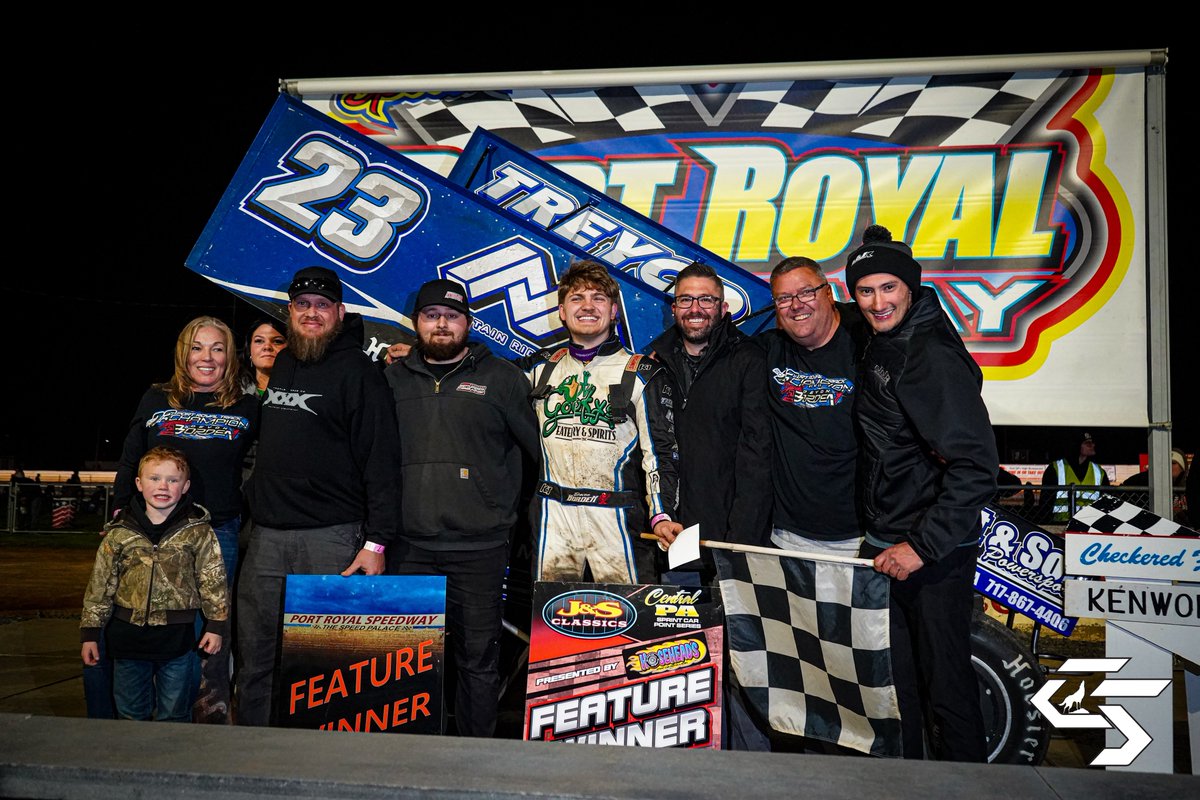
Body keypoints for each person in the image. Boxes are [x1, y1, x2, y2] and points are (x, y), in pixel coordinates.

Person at [848, 225, 998, 762]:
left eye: (889, 287)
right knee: (898, 692)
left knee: (947, 693)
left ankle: (970, 792)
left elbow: (977, 467)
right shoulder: (885, 337)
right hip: (889, 546)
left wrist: (922, 547)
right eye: (865, 290)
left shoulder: (927, 353)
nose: (878, 301)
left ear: (911, 287)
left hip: (929, 558)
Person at [237, 265, 400, 727]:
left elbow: (382, 463)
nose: (311, 313)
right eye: (302, 305)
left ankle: (322, 767)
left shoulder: (361, 373)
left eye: (322, 306)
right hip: (267, 540)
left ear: (340, 312)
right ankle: (249, 760)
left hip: (331, 539)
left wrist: (376, 544)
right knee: (256, 660)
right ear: (289, 312)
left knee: (328, 668)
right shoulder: (284, 363)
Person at [386, 279, 539, 737]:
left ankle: (476, 761)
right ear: (416, 323)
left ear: (467, 323)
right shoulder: (390, 378)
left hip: (481, 547)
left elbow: (533, 457)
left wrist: (506, 518)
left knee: (477, 661)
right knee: (406, 663)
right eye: (432, 316)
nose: (441, 325)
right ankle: (410, 762)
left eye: (452, 317)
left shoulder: (503, 378)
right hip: (407, 546)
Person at [112, 316, 259, 723]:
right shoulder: (156, 398)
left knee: (210, 624)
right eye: (197, 347)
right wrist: (121, 516)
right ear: (183, 353)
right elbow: (130, 459)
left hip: (218, 531)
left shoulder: (247, 406)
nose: (207, 357)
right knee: (151, 621)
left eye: (217, 348)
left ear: (231, 356)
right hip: (154, 532)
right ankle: (143, 717)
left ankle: (204, 715)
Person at [524, 260, 681, 583]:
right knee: (553, 624)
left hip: (617, 519)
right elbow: (476, 378)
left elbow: (661, 452)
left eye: (598, 298)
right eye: (577, 299)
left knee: (627, 624)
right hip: (554, 514)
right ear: (562, 312)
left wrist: (661, 514)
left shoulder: (642, 372)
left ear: (613, 311)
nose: (587, 307)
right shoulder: (538, 369)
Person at [81, 447, 228, 722]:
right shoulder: (119, 532)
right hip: (127, 641)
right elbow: (99, 585)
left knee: (174, 715)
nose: (163, 486)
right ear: (139, 483)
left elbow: (213, 580)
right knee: (130, 715)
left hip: (177, 643)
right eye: (154, 478)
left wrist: (216, 626)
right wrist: (90, 634)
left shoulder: (198, 531)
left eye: (172, 480)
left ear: (185, 487)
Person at [648, 262, 772, 581]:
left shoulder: (749, 359)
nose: (696, 309)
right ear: (674, 308)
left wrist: (742, 539)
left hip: (728, 533)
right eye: (686, 300)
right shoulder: (653, 361)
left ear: (723, 307)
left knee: (727, 629)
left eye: (706, 300)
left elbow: (757, 455)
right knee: (676, 628)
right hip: (671, 530)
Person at [759, 256, 867, 557]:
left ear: (829, 294)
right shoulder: (766, 351)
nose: (796, 305)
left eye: (806, 292)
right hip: (786, 537)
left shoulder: (868, 347)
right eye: (784, 298)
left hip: (859, 538)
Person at [1041, 432, 1109, 522]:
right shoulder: (1055, 469)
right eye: (1088, 443)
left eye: (1092, 442)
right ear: (1077, 446)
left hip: (1090, 524)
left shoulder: (1099, 471)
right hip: (1061, 524)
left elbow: (1106, 502)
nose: (1093, 445)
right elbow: (1046, 502)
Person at [240, 317, 288, 396]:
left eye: (277, 341)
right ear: (249, 350)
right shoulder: (231, 392)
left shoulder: (304, 390)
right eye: (259, 341)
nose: (267, 347)